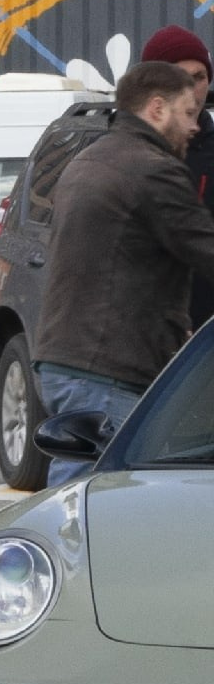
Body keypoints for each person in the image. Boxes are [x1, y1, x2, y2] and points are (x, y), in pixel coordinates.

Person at [34, 57, 214, 481]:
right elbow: (205, 248)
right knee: (98, 501)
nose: (194, 127)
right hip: (110, 365)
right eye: (188, 114)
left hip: (66, 357)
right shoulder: (153, 169)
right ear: (157, 109)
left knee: (78, 495)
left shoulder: (88, 159)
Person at [136, 23, 214, 327]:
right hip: (137, 339)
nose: (191, 91)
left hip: (203, 340)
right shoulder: (118, 152)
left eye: (199, 77)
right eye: (178, 78)